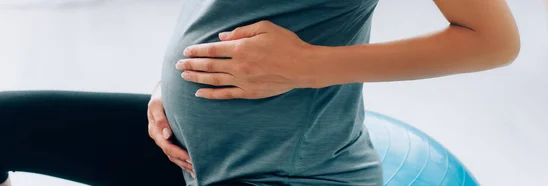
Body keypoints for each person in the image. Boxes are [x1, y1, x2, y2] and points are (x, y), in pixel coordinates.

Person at [1, 0, 520, 185]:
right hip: (188, 154)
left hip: (285, 175)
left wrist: (308, 66)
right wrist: (168, 85)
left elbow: (494, 41)